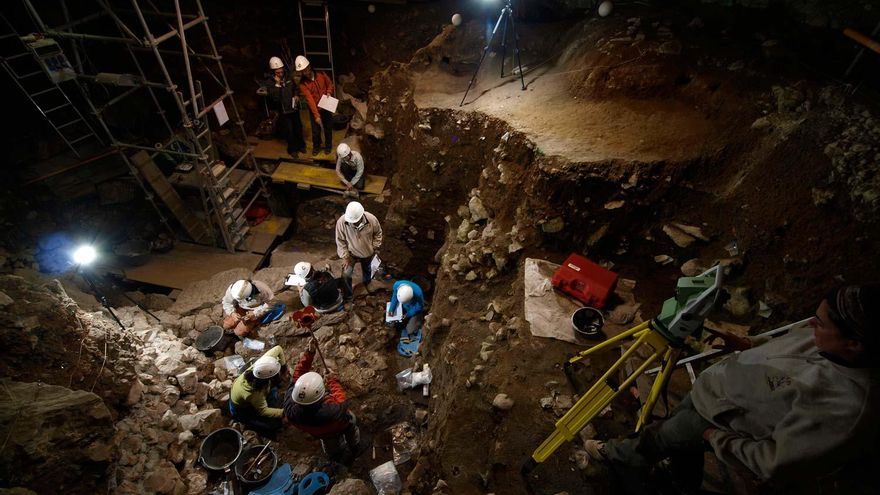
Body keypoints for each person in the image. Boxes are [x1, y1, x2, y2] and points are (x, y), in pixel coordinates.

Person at [583, 283, 880, 494]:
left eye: (821, 323)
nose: (811, 324)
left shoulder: (844, 409)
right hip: (712, 392)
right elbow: (791, 341)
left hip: (718, 423)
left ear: (854, 344)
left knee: (656, 437)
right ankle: (680, 482)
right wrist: (750, 344)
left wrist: (716, 439)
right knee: (680, 444)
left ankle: (615, 456)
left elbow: (773, 464)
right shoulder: (828, 341)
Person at [284, 339, 361, 460]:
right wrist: (332, 380)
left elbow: (297, 376)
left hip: (321, 434)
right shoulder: (333, 409)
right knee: (351, 424)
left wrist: (309, 353)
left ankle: (335, 457)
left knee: (330, 445)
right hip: (341, 425)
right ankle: (355, 447)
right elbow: (342, 400)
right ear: (321, 397)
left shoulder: (290, 409)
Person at [229, 345, 287, 438]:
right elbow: (263, 411)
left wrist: (284, 368)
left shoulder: (263, 364)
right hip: (240, 409)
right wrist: (284, 413)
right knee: (270, 425)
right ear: (268, 379)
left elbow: (278, 348)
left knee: (273, 391)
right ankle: (271, 432)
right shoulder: (254, 392)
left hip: (246, 394)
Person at [335, 201, 382, 297]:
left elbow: (378, 233)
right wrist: (345, 256)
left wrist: (374, 247)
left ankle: (367, 283)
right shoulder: (341, 222)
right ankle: (348, 295)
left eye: (356, 221)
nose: (354, 223)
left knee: (367, 270)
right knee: (346, 275)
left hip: (367, 253)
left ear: (361, 216)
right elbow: (340, 240)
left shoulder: (371, 219)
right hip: (350, 254)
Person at [265, 56, 305, 157]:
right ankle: (292, 150)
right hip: (284, 111)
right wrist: (277, 84)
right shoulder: (270, 83)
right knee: (289, 130)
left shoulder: (288, 77)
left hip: (293, 108)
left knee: (298, 127)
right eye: (278, 72)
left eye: (281, 71)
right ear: (273, 72)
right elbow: (275, 97)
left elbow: (295, 88)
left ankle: (301, 145)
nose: (280, 74)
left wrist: (296, 95)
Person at [295, 55, 335, 155]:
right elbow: (310, 99)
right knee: (316, 131)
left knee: (328, 127)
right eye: (303, 71)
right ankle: (316, 147)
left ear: (310, 67)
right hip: (315, 108)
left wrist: (329, 92)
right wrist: (316, 115)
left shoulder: (321, 74)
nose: (306, 73)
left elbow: (330, 84)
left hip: (326, 105)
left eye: (306, 69)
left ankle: (328, 146)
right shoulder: (303, 84)